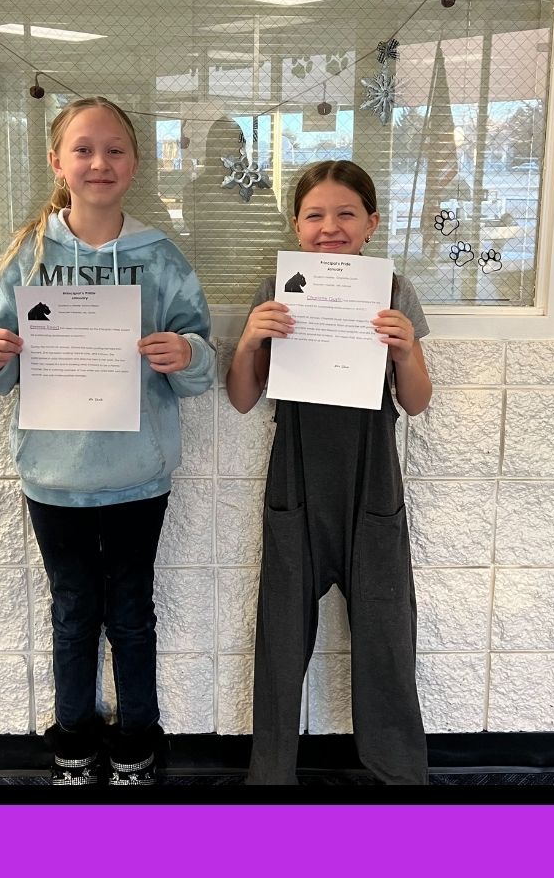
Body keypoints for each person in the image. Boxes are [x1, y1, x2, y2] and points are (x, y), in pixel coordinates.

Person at [0, 96, 215, 786]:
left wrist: (186, 354)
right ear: (57, 163)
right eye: (84, 149)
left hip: (138, 474)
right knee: (72, 610)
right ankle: (72, 738)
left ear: (136, 163)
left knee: (131, 612)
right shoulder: (29, 257)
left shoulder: (161, 259)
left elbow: (202, 357)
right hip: (54, 476)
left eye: (115, 150)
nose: (100, 162)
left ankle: (136, 742)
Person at [222, 160, 438, 784]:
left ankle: (399, 774)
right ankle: (270, 776)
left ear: (371, 224)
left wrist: (406, 347)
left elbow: (418, 401)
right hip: (295, 486)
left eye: (346, 214)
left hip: (373, 488)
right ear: (296, 224)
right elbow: (242, 397)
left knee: (387, 632)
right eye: (315, 215)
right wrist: (249, 343)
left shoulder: (394, 292)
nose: (330, 227)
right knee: (282, 638)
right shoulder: (276, 288)